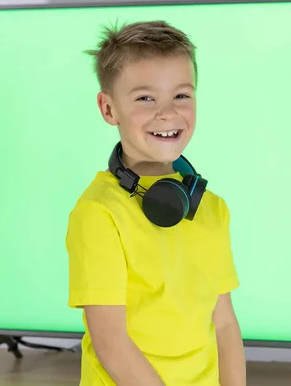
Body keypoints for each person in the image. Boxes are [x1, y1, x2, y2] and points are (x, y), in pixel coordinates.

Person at [65, 20, 246, 386]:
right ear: (108, 109)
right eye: (145, 98)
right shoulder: (99, 213)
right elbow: (111, 342)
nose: (167, 113)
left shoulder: (211, 208)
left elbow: (224, 323)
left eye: (181, 95)